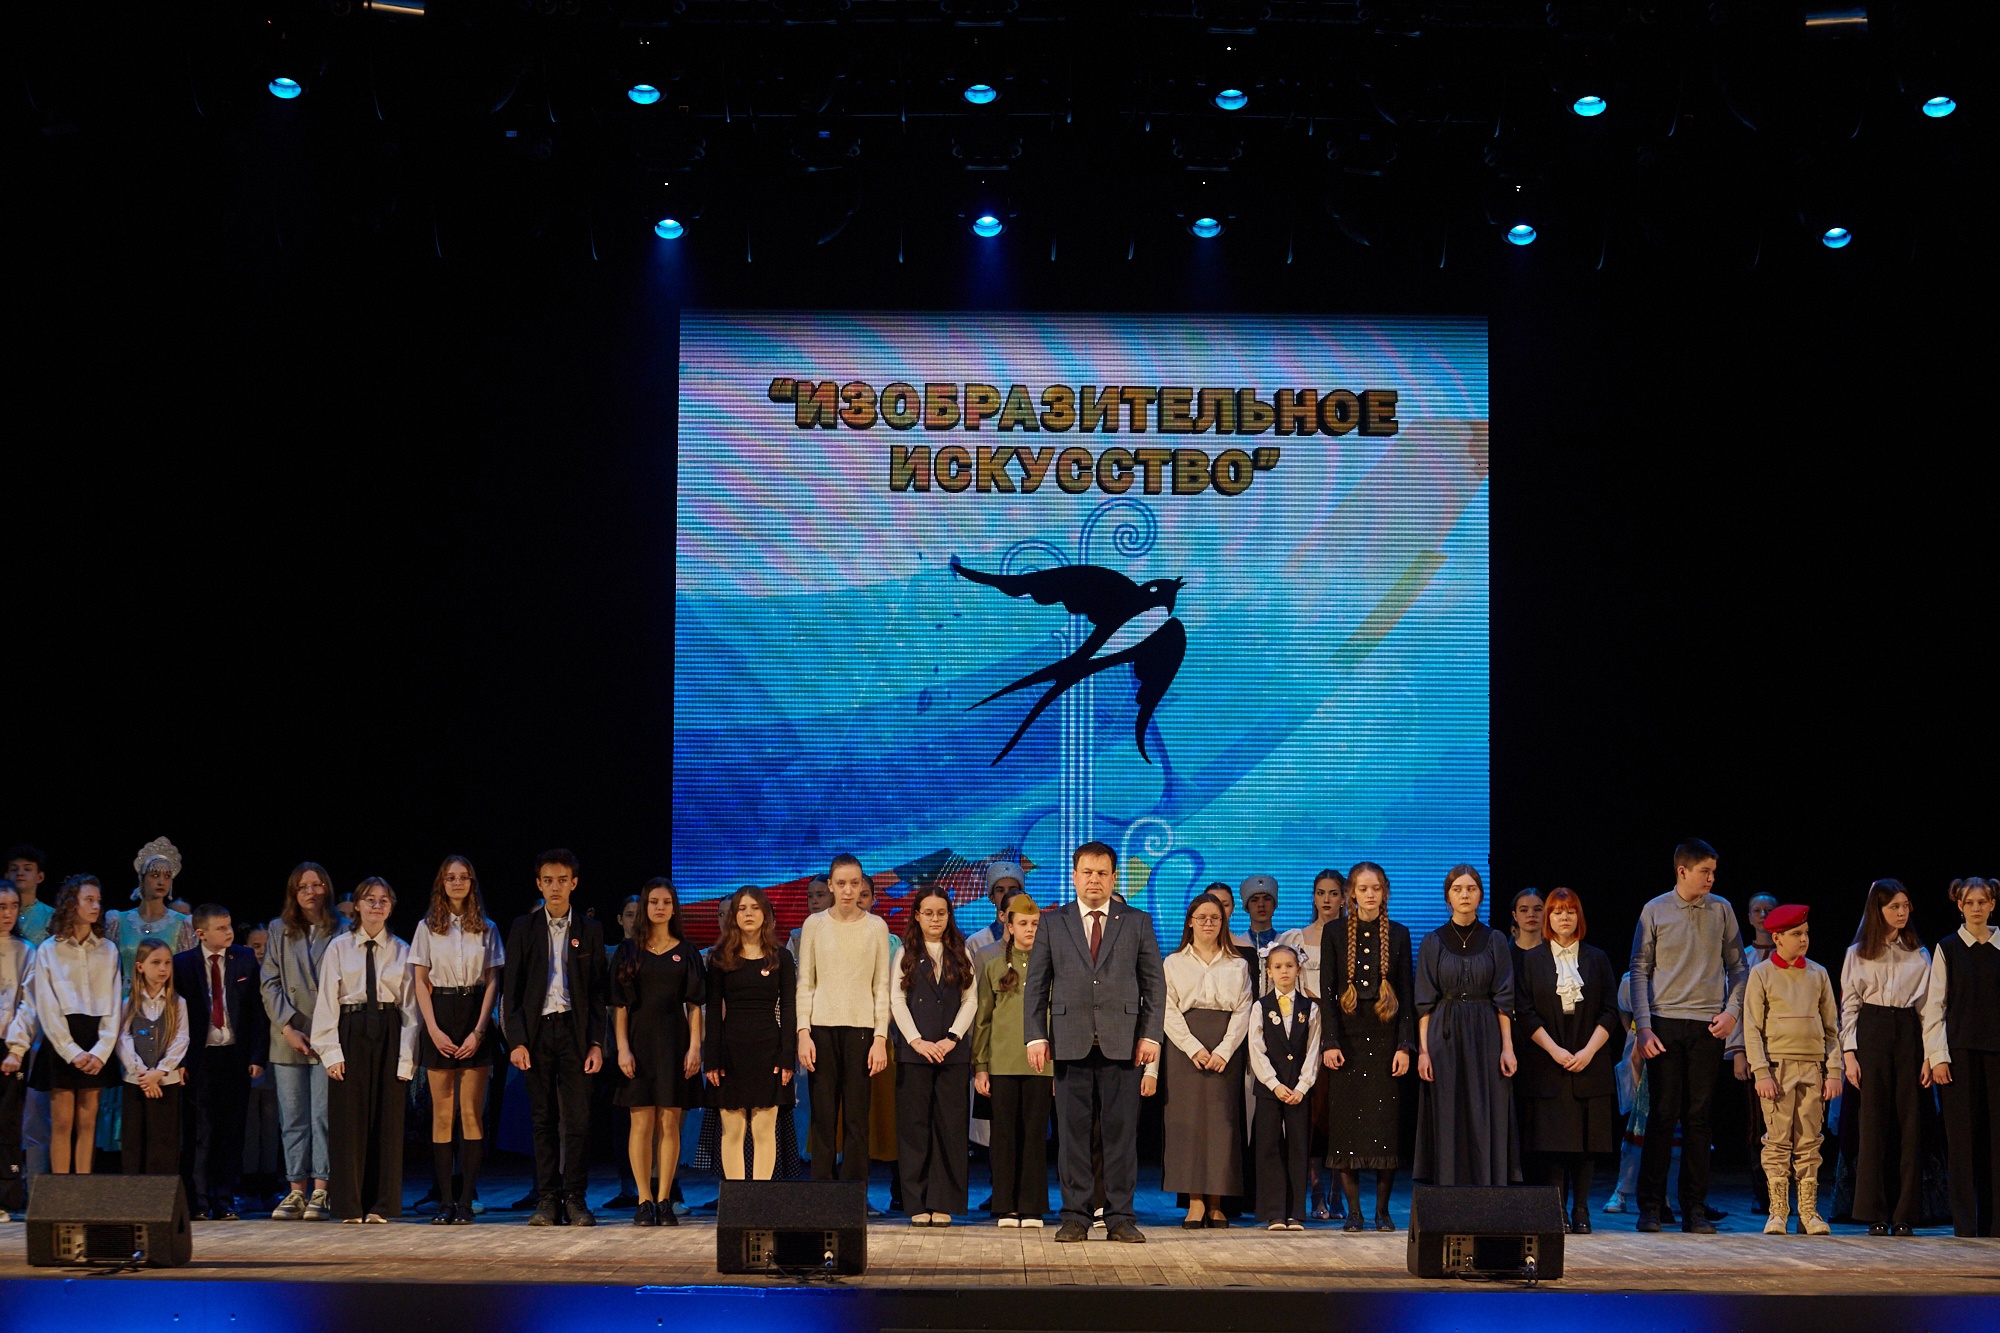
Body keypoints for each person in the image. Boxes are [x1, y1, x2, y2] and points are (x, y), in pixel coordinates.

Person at [1025, 841, 1165, 1243]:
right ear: (1074, 877)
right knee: (1072, 1135)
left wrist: (1150, 1035)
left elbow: (1154, 984)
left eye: (1102, 873)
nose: (1094, 880)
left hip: (1123, 1043)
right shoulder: (1053, 922)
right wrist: (1035, 1036)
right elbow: (1036, 986)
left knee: (1120, 1135)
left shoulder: (1136, 921)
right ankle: (1075, 1216)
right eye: (1087, 872)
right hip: (1070, 1042)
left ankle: (1120, 1217)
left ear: (1114, 878)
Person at [1628, 837, 1747, 1234]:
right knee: (1662, 1115)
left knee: (1699, 1118)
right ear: (1682, 871)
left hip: (1707, 1025)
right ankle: (1650, 1206)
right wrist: (1644, 1027)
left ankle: (1694, 1207)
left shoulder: (1722, 909)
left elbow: (1739, 968)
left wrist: (1731, 1013)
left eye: (1713, 872)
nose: (1711, 878)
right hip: (1664, 1023)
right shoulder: (1655, 909)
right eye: (1704, 872)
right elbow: (1639, 969)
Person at [502, 849, 609, 1228]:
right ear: (538, 884)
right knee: (543, 1118)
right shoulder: (523, 928)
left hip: (575, 1033)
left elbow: (597, 993)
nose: (555, 887)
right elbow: (511, 991)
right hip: (536, 1033)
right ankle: (547, 1198)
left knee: (578, 1119)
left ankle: (575, 1198)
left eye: (562, 880)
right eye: (548, 881)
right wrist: (516, 1041)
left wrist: (597, 1043)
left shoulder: (590, 930)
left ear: (574, 883)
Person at [1514, 887, 1620, 1233]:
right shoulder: (1532, 960)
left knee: (1587, 1143)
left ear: (1579, 917)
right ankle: (1557, 1209)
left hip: (1589, 1057)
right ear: (1548, 918)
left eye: (1570, 911)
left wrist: (1588, 1051)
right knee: (1554, 1143)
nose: (1564, 917)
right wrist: (1554, 1050)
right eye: (1557, 912)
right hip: (1549, 1059)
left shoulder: (1597, 958)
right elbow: (1525, 1012)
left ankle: (1582, 1209)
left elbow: (1610, 1011)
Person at [312, 877, 418, 1222]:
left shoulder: (402, 950)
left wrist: (406, 1059)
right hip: (351, 1029)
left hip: (388, 1030)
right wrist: (331, 1053)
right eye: (370, 899)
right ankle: (349, 1204)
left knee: (387, 1121)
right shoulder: (339, 948)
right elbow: (327, 1002)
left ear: (391, 907)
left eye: (384, 900)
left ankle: (381, 1204)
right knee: (348, 1120)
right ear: (357, 905)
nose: (376, 905)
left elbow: (410, 1009)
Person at [1149, 893, 1253, 1228]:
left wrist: (1224, 1050)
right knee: (1188, 1123)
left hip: (1225, 1048)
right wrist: (1193, 1047)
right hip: (1185, 1049)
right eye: (1202, 917)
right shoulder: (1173, 962)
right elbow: (1167, 1010)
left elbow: (1244, 1010)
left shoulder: (1238, 964)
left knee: (1222, 1124)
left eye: (1215, 918)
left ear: (1223, 923)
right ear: (1190, 922)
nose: (1208, 923)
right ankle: (1194, 1201)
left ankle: (1216, 1201)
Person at [1321, 861, 1415, 1230]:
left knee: (1383, 1126)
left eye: (1376, 888)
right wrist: (1330, 1042)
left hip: (1385, 1038)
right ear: (1351, 894)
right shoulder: (1334, 932)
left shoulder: (1400, 934)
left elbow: (1406, 995)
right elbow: (1328, 993)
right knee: (1347, 1126)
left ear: (1385, 892)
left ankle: (1382, 1211)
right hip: (1348, 1039)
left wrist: (1404, 1045)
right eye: (1363, 889)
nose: (1370, 894)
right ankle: (1354, 1212)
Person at [410, 855, 504, 1225]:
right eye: (451, 877)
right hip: (441, 1012)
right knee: (442, 1114)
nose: (457, 882)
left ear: (472, 882)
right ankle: (445, 1201)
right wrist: (432, 1030)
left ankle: (466, 1201)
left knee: (470, 1113)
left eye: (464, 877)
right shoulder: (426, 927)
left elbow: (493, 981)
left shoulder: (487, 928)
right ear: (442, 883)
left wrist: (479, 1031)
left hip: (474, 1012)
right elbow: (420, 981)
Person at [1414, 864, 1519, 1187]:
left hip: (1485, 1030)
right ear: (1448, 896)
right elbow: (1424, 1000)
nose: (1464, 895)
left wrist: (1507, 1048)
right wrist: (1423, 1051)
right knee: (1448, 1108)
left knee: (1484, 1107)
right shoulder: (1433, 941)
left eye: (1471, 889)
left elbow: (1504, 997)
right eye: (1457, 889)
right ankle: (1447, 1186)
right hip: (1444, 1031)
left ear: (1480, 895)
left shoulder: (1495, 939)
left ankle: (1487, 1185)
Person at [1840, 878, 1932, 1236]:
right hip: (1872, 1030)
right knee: (1873, 1123)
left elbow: (1927, 1009)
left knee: (1910, 1124)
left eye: (1906, 906)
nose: (1902, 912)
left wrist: (1929, 1055)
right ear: (1878, 910)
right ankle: (1873, 1210)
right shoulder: (1858, 953)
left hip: (1908, 1032)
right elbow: (1849, 1006)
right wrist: (1850, 1054)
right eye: (1894, 906)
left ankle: (1905, 1212)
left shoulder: (1919, 953)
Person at [1742, 904, 1840, 1235]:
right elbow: (1752, 1026)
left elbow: (1832, 1028)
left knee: (1810, 1140)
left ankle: (1808, 1212)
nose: (1803, 939)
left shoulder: (1818, 973)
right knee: (1778, 1141)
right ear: (1777, 938)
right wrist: (1761, 1071)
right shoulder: (1762, 974)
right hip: (1778, 1067)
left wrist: (1834, 1070)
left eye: (1806, 933)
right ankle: (1778, 1211)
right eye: (1796, 934)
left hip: (1812, 1066)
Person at [611, 878, 705, 1226]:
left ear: (674, 907)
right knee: (641, 1123)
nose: (660, 908)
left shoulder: (687, 951)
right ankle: (643, 1200)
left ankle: (664, 1199)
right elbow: (619, 1006)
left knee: (669, 1122)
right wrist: (623, 1049)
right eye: (654, 902)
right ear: (645, 907)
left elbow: (694, 1005)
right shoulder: (628, 951)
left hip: (674, 1044)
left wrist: (695, 1047)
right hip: (638, 1044)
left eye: (666, 902)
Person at [796, 853, 893, 1183]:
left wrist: (880, 1037)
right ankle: (823, 1194)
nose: (848, 890)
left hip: (862, 1030)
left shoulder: (876, 927)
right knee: (823, 1116)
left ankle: (853, 1195)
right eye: (841, 883)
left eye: (854, 883)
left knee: (857, 1118)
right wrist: (803, 1032)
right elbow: (805, 982)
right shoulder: (815, 925)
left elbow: (881, 987)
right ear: (830, 885)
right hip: (821, 1029)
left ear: (862, 884)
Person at [173, 904, 269, 1219]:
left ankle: (225, 1199)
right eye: (221, 928)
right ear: (201, 934)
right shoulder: (183, 964)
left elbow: (256, 1011)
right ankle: (199, 1200)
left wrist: (257, 1056)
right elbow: (176, 1017)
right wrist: (181, 1060)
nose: (229, 933)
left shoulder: (243, 958)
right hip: (200, 1057)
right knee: (201, 1130)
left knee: (232, 1130)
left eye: (229, 926)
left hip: (234, 1055)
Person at [890, 884, 976, 1225]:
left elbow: (971, 999)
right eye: (928, 913)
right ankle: (917, 1202)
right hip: (915, 1054)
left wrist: (952, 1038)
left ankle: (944, 1202)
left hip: (951, 1053)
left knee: (950, 1128)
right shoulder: (906, 953)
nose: (935, 919)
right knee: (914, 1128)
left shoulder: (961, 952)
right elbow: (896, 1000)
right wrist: (916, 1041)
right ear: (917, 916)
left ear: (949, 915)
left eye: (941, 913)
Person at [260, 861, 339, 1221]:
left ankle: (322, 1189)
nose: (311, 891)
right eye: (303, 886)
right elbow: (269, 982)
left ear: (326, 888)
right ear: (294, 892)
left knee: (323, 1116)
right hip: (288, 1036)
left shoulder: (341, 928)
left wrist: (324, 1030)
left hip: (327, 1035)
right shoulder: (279, 929)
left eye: (317, 884)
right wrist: (288, 1027)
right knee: (292, 1117)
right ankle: (296, 1190)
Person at [1922, 877, 2000, 1237]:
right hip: (1960, 1054)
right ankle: (1965, 1225)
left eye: (1983, 902)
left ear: (1993, 904)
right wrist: (1938, 1056)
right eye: (1970, 903)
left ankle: (1995, 1223)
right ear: (1960, 906)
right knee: (1962, 1140)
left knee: (1995, 1140)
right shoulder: (1949, 948)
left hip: (1996, 1053)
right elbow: (1935, 1005)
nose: (1976, 908)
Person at [704, 886, 796, 1182]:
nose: (748, 914)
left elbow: (790, 1009)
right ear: (734, 915)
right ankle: (737, 1200)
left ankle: (758, 1200)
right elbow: (713, 1011)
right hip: (730, 1050)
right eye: (742, 908)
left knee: (764, 1130)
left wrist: (787, 1057)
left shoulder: (781, 957)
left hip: (768, 1049)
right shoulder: (720, 957)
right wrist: (712, 1059)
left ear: (766, 914)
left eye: (755, 908)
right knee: (732, 1131)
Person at [30, 875, 121, 1175]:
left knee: (87, 1120)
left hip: (96, 1039)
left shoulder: (108, 950)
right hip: (63, 1038)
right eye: (89, 900)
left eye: (98, 901)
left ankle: (84, 1188)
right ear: (72, 903)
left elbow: (113, 1004)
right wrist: (71, 1051)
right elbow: (47, 1005)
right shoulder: (49, 950)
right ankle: (60, 1191)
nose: (96, 906)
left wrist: (101, 1050)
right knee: (62, 1121)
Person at [974, 893, 1051, 1227]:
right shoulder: (993, 964)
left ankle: (1031, 1205)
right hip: (1002, 1062)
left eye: (1035, 924)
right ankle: (1006, 1204)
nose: (1029, 929)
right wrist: (980, 1067)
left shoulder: (1050, 965)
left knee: (1035, 1134)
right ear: (1009, 924)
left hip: (1041, 1064)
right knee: (1003, 1135)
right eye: (1023, 923)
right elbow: (983, 1020)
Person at [1281, 867, 1347, 1220]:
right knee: (1313, 1113)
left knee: (1340, 1114)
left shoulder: (1354, 937)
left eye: (1333, 893)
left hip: (1344, 1032)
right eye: (1321, 893)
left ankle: (1338, 1193)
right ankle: (1317, 1191)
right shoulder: (1296, 938)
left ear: (1344, 898)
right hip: (1308, 1031)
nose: (1326, 900)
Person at [1248, 943, 1319, 1231]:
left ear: (1298, 969)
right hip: (1270, 1089)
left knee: (1298, 1147)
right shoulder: (1260, 1007)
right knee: (1269, 1146)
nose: (1284, 971)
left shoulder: (1310, 1008)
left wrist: (1303, 1085)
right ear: (1269, 971)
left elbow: (1313, 1049)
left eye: (1289, 966)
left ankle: (1295, 1212)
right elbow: (1256, 1048)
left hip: (1299, 1090)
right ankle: (1274, 1211)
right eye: (1277, 967)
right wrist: (1273, 1083)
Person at [118, 939, 189, 1175]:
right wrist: (142, 1074)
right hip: (136, 1082)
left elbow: (181, 1039)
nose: (163, 969)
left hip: (165, 1082)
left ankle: (161, 1193)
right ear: (140, 967)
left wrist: (159, 1072)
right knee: (134, 1141)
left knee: (163, 1142)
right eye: (156, 963)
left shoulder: (177, 1003)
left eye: (167, 963)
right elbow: (123, 1039)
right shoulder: (128, 1003)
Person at [240, 926, 283, 1209]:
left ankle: (269, 1183)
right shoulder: (242, 977)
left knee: (270, 1123)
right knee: (248, 1124)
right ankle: (247, 1184)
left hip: (275, 1057)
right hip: (249, 1059)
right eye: (255, 946)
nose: (261, 951)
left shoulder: (279, 977)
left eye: (266, 945)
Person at [1, 882, 38, 1216]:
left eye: (13, 906)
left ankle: (7, 1197)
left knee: (8, 1123)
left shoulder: (26, 950)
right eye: (2, 907)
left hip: (9, 1047)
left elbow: (28, 1004)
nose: (8, 913)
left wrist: (16, 1048)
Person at [4, 845, 55, 944]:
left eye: (27, 869)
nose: (20, 873)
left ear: (40, 877)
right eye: (14, 869)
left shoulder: (52, 917)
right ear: (6, 876)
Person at [1509, 888, 1545, 953]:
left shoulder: (1555, 952)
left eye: (1537, 909)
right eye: (1524, 910)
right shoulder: (1505, 953)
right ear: (1515, 915)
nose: (1531, 914)